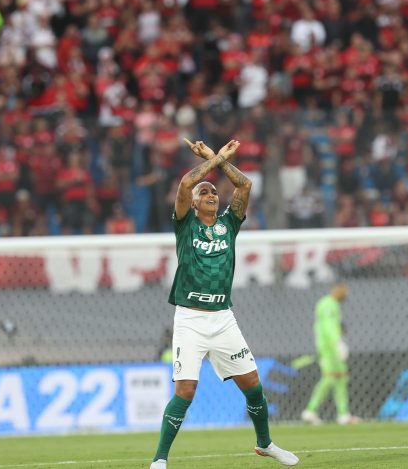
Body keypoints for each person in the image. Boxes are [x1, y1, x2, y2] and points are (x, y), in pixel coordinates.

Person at [150, 139, 299, 469]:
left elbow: (244, 184)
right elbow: (186, 182)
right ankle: (160, 459)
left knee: (254, 387)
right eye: (205, 193)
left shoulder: (229, 225)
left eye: (214, 192)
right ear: (192, 202)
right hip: (190, 319)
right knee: (185, 390)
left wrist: (217, 162)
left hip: (223, 319)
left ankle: (265, 444)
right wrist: (213, 158)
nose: (211, 194)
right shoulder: (185, 224)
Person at [300, 283, 360, 425]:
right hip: (328, 348)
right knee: (330, 377)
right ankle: (310, 410)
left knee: (341, 378)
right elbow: (328, 327)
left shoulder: (331, 304)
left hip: (331, 346)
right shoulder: (328, 305)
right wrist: (337, 343)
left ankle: (343, 414)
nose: (346, 295)